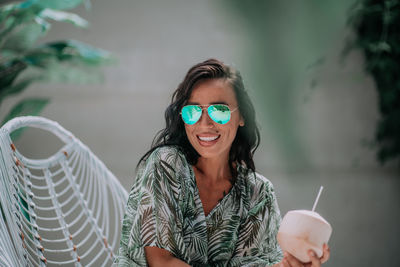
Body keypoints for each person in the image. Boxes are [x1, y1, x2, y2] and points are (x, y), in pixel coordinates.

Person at [114, 59, 330, 266]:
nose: (205, 123)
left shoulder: (258, 194)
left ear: (242, 117)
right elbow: (161, 261)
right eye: (193, 111)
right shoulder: (166, 165)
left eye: (219, 111)